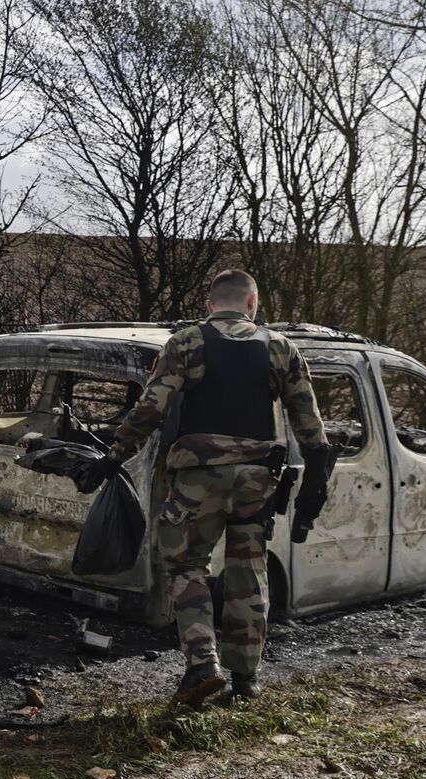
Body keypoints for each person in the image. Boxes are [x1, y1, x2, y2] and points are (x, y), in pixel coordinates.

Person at [81, 269, 332, 708]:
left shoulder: (187, 342)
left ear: (209, 304)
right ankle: (246, 679)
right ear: (253, 304)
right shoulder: (280, 347)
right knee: (249, 571)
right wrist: (318, 473)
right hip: (257, 479)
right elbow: (308, 421)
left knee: (186, 566)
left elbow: (152, 406)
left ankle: (202, 664)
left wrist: (115, 454)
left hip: (198, 477)